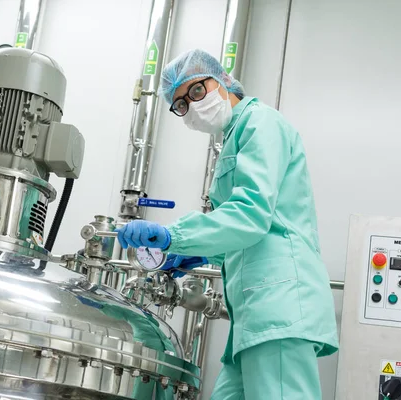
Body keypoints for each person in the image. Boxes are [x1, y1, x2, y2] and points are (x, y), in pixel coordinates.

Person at [115, 49, 339, 399]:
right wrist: (195, 256)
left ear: (223, 79)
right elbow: (247, 239)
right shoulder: (235, 136)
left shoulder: (261, 123)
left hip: (277, 307)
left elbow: (250, 215)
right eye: (181, 105)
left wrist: (176, 236)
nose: (191, 106)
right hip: (254, 315)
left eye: (196, 91)